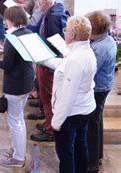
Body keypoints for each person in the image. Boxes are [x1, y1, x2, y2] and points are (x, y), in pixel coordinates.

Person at [42, 16, 97, 173]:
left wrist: (56, 121)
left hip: (71, 113)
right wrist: (44, 59)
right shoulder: (84, 51)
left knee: (66, 153)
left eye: (65, 30)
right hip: (84, 108)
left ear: (72, 35)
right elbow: (64, 66)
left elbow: (68, 95)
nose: (64, 32)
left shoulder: (76, 58)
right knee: (80, 147)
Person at [0, 6, 35, 168]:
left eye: (6, 18)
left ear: (11, 20)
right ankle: (16, 150)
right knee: (18, 119)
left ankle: (19, 157)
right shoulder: (27, 33)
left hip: (15, 85)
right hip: (26, 81)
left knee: (15, 121)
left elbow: (7, 65)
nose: (5, 21)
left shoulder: (12, 38)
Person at [30, 0, 68, 143]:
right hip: (49, 61)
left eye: (37, 0)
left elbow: (53, 42)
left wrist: (38, 49)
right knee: (46, 95)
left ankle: (50, 130)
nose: (36, 3)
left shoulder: (52, 17)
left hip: (49, 63)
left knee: (48, 96)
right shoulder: (56, 11)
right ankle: (48, 123)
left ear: (44, 2)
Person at [85, 11, 117, 172]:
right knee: (96, 121)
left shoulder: (99, 48)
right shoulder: (107, 39)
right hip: (104, 85)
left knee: (92, 124)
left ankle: (91, 162)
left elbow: (91, 70)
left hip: (98, 88)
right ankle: (96, 156)